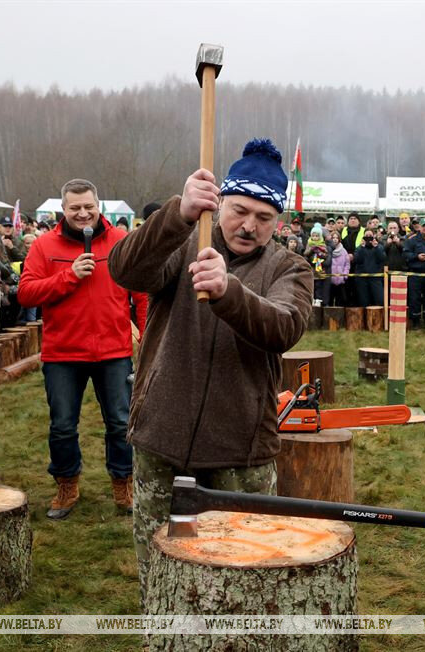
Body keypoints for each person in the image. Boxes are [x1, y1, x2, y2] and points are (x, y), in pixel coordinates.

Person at [108, 138, 313, 607]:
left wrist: (228, 291)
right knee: (162, 568)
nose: (249, 225)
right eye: (240, 210)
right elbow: (125, 270)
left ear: (277, 221)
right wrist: (176, 214)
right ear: (220, 202)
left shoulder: (290, 267)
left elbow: (284, 326)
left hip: (239, 451)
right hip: (162, 438)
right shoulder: (183, 245)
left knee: (244, 571)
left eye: (264, 218)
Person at [17, 179, 148, 520]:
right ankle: (66, 484)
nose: (83, 213)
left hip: (113, 351)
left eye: (88, 206)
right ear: (63, 209)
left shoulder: (121, 241)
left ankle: (124, 482)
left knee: (120, 424)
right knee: (62, 425)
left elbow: (141, 293)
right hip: (63, 354)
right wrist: (69, 276)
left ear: (98, 205)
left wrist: (147, 334)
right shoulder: (45, 246)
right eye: (75, 207)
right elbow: (27, 293)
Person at [353, 230, 386, 307]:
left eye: (370, 236)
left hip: (375, 278)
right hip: (362, 279)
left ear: (374, 236)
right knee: (363, 301)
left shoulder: (379, 247)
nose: (368, 238)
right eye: (366, 236)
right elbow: (357, 260)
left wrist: (376, 247)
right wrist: (362, 247)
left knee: (380, 300)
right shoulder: (359, 248)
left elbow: (382, 258)